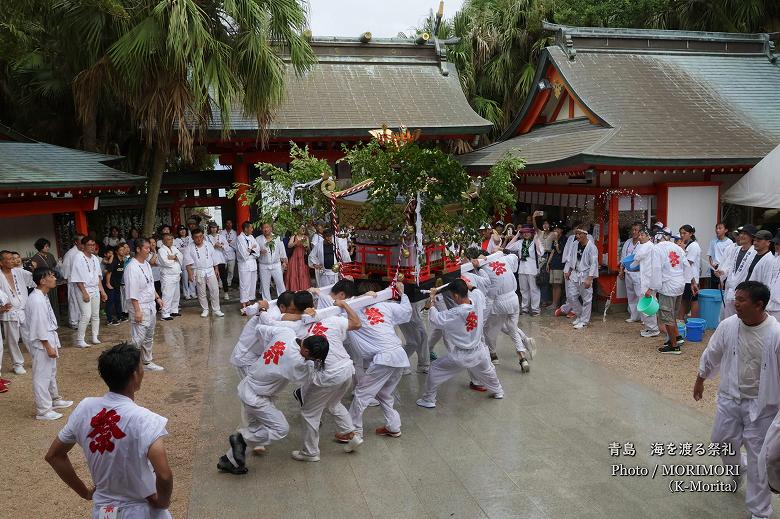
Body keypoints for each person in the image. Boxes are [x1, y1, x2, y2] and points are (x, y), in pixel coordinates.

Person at [45, 343, 173, 518]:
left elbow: (53, 455)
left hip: (103, 511)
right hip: (142, 509)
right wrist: (162, 502)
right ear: (135, 375)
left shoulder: (85, 408)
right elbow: (164, 475)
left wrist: (85, 492)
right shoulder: (145, 420)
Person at [695, 281, 780, 519]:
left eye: (742, 300)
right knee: (721, 441)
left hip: (762, 406)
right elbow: (713, 351)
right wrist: (701, 376)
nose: (735, 303)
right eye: (736, 298)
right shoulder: (729, 325)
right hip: (729, 398)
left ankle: (760, 512)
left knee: (758, 459)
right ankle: (736, 468)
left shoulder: (775, 334)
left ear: (759, 305)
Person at [218, 327, 328, 475]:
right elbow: (309, 378)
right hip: (257, 398)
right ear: (307, 352)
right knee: (280, 429)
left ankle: (228, 461)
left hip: (249, 385)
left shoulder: (286, 333)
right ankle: (242, 440)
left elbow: (261, 328)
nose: (311, 361)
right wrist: (312, 364)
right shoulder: (296, 361)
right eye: (312, 358)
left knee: (255, 430)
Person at [287, 291, 360, 462]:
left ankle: (310, 452)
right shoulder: (331, 320)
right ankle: (352, 435)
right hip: (347, 369)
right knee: (334, 404)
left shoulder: (299, 327)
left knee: (309, 413)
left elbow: (279, 321)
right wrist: (344, 305)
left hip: (329, 374)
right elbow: (357, 323)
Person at [417, 279, 504, 409]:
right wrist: (469, 285)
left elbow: (436, 319)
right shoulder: (478, 299)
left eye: (453, 296)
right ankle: (498, 391)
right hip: (479, 351)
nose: (453, 298)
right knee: (488, 372)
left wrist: (432, 301)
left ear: (456, 296)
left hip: (462, 355)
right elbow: (476, 290)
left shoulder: (456, 313)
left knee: (434, 368)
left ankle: (428, 399)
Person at [347, 280, 411, 444]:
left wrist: (353, 298)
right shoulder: (385, 306)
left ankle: (353, 431)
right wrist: (402, 294)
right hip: (398, 356)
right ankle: (393, 426)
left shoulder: (352, 310)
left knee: (361, 393)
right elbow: (406, 311)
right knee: (383, 393)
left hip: (384, 358)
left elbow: (336, 307)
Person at [24, 268, 72, 420]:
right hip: (42, 341)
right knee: (42, 376)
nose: (54, 278)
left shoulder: (42, 295)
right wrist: (48, 346)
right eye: (50, 276)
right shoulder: (36, 299)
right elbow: (39, 326)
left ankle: (54, 399)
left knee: (50, 372)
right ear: (42, 281)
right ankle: (43, 410)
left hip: (48, 337)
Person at [473, 253, 534, 371]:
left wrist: (482, 318)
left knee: (489, 328)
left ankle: (493, 355)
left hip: (499, 302)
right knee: (512, 328)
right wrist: (501, 250)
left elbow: (489, 295)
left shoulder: (483, 270)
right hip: (514, 299)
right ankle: (522, 356)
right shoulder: (503, 259)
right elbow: (515, 256)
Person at [125, 239, 165, 372]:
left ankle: (147, 362)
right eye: (146, 248)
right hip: (139, 305)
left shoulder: (146, 264)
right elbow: (132, 291)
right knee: (138, 338)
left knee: (149, 335)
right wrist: (137, 310)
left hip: (150, 304)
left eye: (150, 248)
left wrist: (157, 298)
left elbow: (150, 284)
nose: (149, 250)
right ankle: (128, 362)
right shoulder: (132, 267)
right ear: (138, 249)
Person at [0, 250, 35, 375]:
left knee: (30, 336)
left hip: (23, 309)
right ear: (1, 262)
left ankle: (36, 358)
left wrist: (35, 269)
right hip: (9, 312)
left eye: (12, 258)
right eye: (8, 259)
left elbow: (34, 279)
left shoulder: (19, 272)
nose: (12, 261)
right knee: (12, 340)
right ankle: (17, 364)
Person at [654, 233, 690, 354]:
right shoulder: (678, 248)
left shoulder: (658, 248)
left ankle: (674, 346)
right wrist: (692, 282)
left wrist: (651, 288)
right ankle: (675, 339)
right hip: (680, 285)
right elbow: (686, 265)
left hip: (668, 287)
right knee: (673, 315)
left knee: (667, 317)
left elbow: (656, 269)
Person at [69, 237, 107, 348]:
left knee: (96, 315)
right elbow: (77, 278)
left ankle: (95, 336)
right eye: (89, 245)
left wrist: (102, 291)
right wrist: (84, 293)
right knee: (86, 315)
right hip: (83, 289)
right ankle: (80, 339)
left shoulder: (95, 258)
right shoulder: (78, 257)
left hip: (95, 288)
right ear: (83, 246)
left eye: (93, 244)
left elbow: (98, 277)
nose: (92, 247)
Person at [717, 225, 757, 319]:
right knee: (726, 317)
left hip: (744, 291)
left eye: (745, 234)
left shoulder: (755, 253)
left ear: (751, 237)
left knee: (740, 318)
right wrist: (722, 273)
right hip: (729, 289)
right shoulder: (735, 250)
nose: (741, 236)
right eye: (741, 233)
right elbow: (728, 266)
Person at [184, 228, 224, 318]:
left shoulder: (208, 244)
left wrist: (216, 269)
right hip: (198, 270)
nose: (199, 239)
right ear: (192, 238)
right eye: (196, 237)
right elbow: (187, 262)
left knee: (215, 290)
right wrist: (190, 274)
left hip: (210, 270)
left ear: (203, 236)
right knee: (201, 292)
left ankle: (216, 309)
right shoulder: (189, 248)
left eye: (201, 236)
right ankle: (205, 309)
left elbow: (214, 257)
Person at [565, 228, 599, 329]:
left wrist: (590, 278)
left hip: (585, 274)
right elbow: (572, 258)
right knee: (571, 296)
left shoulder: (592, 247)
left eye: (580, 234)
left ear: (585, 234)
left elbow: (594, 264)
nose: (578, 236)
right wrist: (569, 270)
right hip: (575, 273)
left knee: (587, 299)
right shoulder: (575, 244)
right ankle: (580, 315)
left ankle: (584, 321)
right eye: (576, 234)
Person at [630, 228, 661, 338]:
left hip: (649, 282)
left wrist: (650, 287)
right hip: (647, 281)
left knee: (648, 306)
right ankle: (649, 327)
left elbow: (637, 257)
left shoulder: (648, 246)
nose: (640, 237)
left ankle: (653, 329)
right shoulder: (648, 246)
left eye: (643, 235)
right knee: (646, 306)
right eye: (640, 235)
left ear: (649, 236)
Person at [505, 224, 543, 315]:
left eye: (528, 232)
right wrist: (517, 235)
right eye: (524, 232)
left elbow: (541, 252)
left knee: (534, 289)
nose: (526, 234)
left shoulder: (535, 241)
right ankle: (524, 307)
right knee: (523, 289)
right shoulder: (520, 242)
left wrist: (536, 239)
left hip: (533, 268)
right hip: (522, 268)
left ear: (531, 233)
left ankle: (535, 309)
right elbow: (508, 248)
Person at [257, 223, 288, 301]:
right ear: (261, 229)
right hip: (263, 265)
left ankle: (283, 300)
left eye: (267, 227)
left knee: (280, 283)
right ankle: (267, 302)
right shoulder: (258, 239)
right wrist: (259, 251)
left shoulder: (277, 238)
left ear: (271, 228)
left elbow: (282, 251)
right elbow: (255, 252)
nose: (265, 229)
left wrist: (284, 262)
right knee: (265, 285)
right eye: (263, 228)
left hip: (276, 264)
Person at [620, 222, 643, 324]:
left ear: (640, 232)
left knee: (640, 294)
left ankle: (644, 317)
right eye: (632, 230)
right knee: (631, 295)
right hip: (628, 271)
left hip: (638, 272)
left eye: (636, 230)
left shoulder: (642, 243)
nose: (634, 232)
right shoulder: (628, 242)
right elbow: (623, 257)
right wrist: (621, 270)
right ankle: (634, 316)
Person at [157, 233, 183, 321]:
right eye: (168, 239)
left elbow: (181, 256)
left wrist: (174, 257)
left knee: (176, 294)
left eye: (172, 239)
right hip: (168, 276)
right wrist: (175, 258)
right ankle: (165, 313)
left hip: (176, 274)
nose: (171, 241)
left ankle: (174, 310)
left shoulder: (174, 248)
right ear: (163, 241)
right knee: (167, 295)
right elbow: (165, 262)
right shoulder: (161, 250)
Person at [61, 234, 85, 329]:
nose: (83, 244)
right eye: (81, 241)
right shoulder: (70, 253)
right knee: (74, 302)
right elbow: (65, 268)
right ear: (76, 242)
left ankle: (81, 320)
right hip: (73, 281)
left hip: (82, 281)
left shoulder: (82, 252)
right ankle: (73, 321)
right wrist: (67, 278)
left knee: (81, 301)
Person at [678, 225, 701, 320]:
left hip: (691, 278)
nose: (682, 235)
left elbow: (688, 263)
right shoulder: (686, 244)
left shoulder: (694, 245)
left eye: (684, 233)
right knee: (684, 300)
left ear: (691, 234)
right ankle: (680, 319)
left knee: (693, 300)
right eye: (681, 233)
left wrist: (682, 250)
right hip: (685, 278)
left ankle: (693, 321)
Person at [237, 221, 259, 306]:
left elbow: (257, 251)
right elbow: (244, 254)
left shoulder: (252, 237)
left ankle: (249, 302)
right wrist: (251, 249)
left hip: (253, 264)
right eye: (251, 228)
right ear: (246, 229)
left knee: (252, 284)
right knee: (244, 284)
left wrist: (250, 250)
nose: (252, 229)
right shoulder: (240, 238)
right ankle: (244, 303)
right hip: (244, 264)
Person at [207, 222, 230, 299]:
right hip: (211, 260)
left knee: (223, 277)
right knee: (211, 279)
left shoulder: (221, 236)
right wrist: (214, 245)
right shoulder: (207, 237)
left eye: (215, 227)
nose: (213, 229)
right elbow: (206, 248)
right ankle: (212, 294)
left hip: (220, 259)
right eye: (212, 227)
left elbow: (227, 247)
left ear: (217, 228)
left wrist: (221, 245)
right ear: (209, 228)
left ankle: (226, 293)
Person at [285, 225, 311, 291]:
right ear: (298, 229)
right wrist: (295, 242)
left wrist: (306, 246)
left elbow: (308, 248)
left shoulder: (306, 237)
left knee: (303, 272)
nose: (303, 229)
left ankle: (303, 288)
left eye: (304, 228)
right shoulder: (294, 237)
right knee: (294, 272)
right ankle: (294, 288)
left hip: (302, 257)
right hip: (294, 257)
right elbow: (289, 246)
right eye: (301, 228)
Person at [173, 225, 196, 300]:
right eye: (180, 230)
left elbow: (193, 248)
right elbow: (177, 250)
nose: (183, 231)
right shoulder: (176, 240)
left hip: (192, 260)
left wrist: (185, 249)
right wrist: (186, 249)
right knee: (185, 279)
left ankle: (193, 293)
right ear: (178, 232)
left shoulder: (190, 238)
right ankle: (186, 294)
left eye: (184, 230)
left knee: (193, 278)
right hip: (183, 261)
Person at [104, 245, 124, 326]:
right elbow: (109, 272)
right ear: (117, 252)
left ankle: (119, 317)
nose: (123, 251)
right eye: (121, 250)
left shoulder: (122, 260)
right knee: (110, 302)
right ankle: (109, 320)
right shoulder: (114, 260)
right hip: (111, 284)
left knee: (118, 301)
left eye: (123, 249)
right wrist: (108, 283)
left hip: (117, 284)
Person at [547, 226, 565, 310]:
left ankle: (556, 304)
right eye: (554, 229)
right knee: (553, 284)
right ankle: (553, 303)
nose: (556, 231)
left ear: (561, 230)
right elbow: (553, 251)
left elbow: (559, 251)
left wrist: (557, 241)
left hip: (559, 264)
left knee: (557, 285)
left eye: (558, 229)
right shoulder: (554, 240)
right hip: (553, 264)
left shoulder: (564, 239)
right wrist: (548, 263)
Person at [220, 219, 238, 293]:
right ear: (225, 224)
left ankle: (228, 282)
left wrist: (226, 243)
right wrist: (227, 243)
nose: (229, 224)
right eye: (227, 223)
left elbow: (235, 243)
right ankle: (221, 283)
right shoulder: (221, 232)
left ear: (232, 224)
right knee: (223, 270)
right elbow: (221, 242)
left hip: (231, 253)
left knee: (231, 270)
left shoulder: (234, 233)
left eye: (230, 223)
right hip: (223, 253)